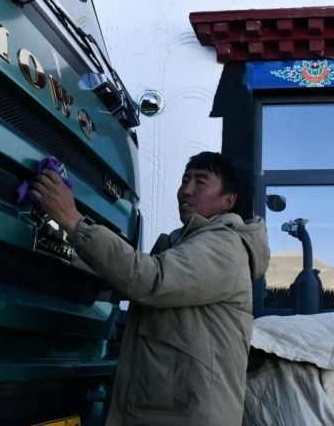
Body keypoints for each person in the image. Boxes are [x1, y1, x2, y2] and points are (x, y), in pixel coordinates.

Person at [28, 151, 270, 426]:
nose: (186, 190)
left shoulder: (225, 245)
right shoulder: (185, 243)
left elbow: (150, 279)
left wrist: (73, 220)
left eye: (201, 182)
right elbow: (142, 290)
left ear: (227, 201)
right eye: (185, 180)